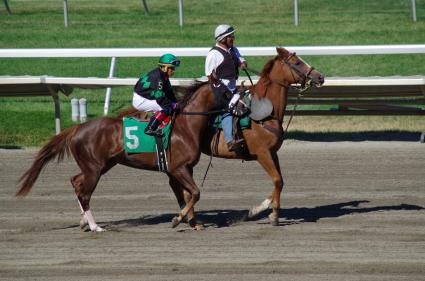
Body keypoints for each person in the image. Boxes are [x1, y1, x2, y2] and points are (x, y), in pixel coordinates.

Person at [205, 24, 248, 152]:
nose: (233, 38)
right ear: (222, 39)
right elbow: (210, 76)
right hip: (220, 91)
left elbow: (242, 61)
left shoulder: (233, 50)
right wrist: (223, 91)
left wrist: (243, 64)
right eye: (230, 37)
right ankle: (230, 141)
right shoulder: (213, 54)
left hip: (234, 89)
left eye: (232, 36)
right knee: (228, 110)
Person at [132, 54, 181, 136]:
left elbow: (169, 92)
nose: (173, 70)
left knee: (169, 106)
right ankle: (150, 128)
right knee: (166, 108)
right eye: (172, 68)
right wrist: (172, 105)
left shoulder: (163, 76)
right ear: (165, 68)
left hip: (147, 96)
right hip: (140, 100)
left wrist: (176, 102)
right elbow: (160, 99)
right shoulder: (158, 78)